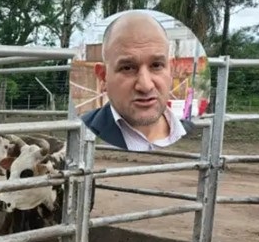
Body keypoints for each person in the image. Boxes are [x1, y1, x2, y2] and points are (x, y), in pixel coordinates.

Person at [81, 11, 195, 152]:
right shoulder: (79, 131)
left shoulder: (194, 131)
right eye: (128, 68)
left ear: (170, 71)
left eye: (156, 65)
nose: (145, 86)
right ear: (103, 76)